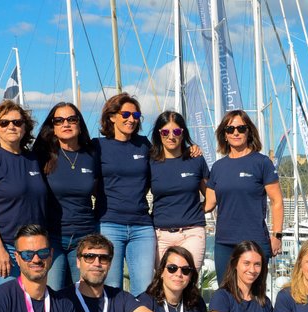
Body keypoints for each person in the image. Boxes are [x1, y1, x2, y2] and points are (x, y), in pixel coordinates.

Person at [0, 100, 45, 289]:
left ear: (24, 127)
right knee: (9, 300)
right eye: (4, 123)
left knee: (30, 298)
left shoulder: (33, 160)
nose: (11, 126)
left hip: (29, 247)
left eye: (17, 122)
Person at [204, 110, 283, 281]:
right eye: (230, 129)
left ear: (249, 131)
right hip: (224, 242)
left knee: (253, 297)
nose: (236, 132)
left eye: (241, 128)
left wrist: (277, 235)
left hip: (255, 241)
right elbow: (208, 204)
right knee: (226, 294)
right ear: (224, 135)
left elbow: (277, 201)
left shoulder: (262, 163)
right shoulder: (218, 167)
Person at [94, 93, 156, 295]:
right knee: (111, 288)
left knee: (144, 289)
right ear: (112, 116)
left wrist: (193, 150)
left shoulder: (144, 144)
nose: (131, 119)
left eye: (135, 114)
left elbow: (170, 158)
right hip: (109, 224)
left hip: (142, 227)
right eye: (126, 114)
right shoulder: (98, 146)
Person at [32, 102, 99, 290]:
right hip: (53, 237)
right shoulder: (41, 157)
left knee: (85, 293)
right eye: (59, 120)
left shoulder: (92, 155)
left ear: (79, 124)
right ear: (52, 127)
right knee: (54, 292)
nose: (66, 124)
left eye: (71, 119)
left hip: (84, 237)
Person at [148, 111, 209, 270]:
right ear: (159, 134)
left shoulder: (195, 159)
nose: (171, 136)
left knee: (188, 283)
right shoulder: (151, 162)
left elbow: (211, 196)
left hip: (192, 233)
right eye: (165, 132)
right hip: (160, 235)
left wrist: (198, 211)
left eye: (176, 131)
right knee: (162, 285)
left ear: (183, 133)